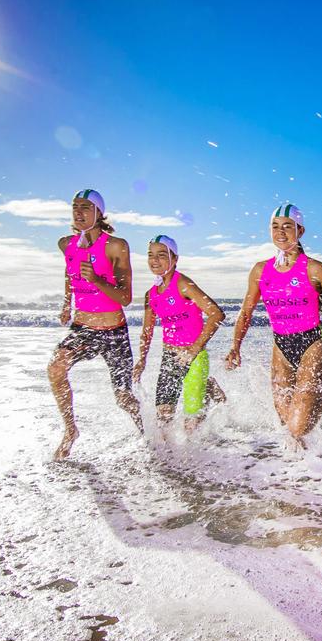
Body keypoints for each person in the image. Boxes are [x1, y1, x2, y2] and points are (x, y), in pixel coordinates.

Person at [224, 204, 322, 446]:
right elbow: (246, 312)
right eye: (275, 227)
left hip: (311, 344)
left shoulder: (314, 268)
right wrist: (235, 347)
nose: (280, 232)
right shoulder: (260, 270)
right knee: (287, 425)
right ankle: (298, 472)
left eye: (287, 226)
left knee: (299, 426)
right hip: (280, 346)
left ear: (300, 230)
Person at [48, 188, 143, 460]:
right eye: (75, 207)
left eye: (86, 208)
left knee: (123, 398)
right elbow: (69, 271)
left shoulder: (116, 246)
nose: (79, 212)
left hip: (113, 331)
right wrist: (68, 302)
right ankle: (70, 430)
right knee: (56, 368)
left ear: (99, 214)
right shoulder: (66, 244)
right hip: (83, 329)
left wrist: (98, 281)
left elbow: (125, 297)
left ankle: (150, 434)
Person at [132, 235, 227, 435]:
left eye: (161, 255)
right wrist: (142, 360)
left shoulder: (183, 284)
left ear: (174, 259)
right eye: (150, 255)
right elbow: (147, 330)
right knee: (163, 419)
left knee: (190, 427)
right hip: (170, 358)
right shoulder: (152, 294)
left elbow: (216, 314)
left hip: (194, 357)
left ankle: (196, 461)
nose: (154, 260)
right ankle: (168, 463)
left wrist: (194, 349)